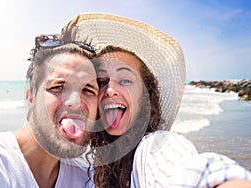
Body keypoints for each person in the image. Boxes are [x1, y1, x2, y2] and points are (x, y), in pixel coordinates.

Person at [61, 12, 251, 187]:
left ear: (145, 99)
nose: (110, 90)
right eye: (102, 81)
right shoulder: (90, 168)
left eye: (125, 80)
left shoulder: (154, 147)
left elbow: (194, 173)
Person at [0, 34, 98, 187]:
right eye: (58, 87)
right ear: (31, 97)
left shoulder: (88, 178)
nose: (75, 102)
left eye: (88, 90)